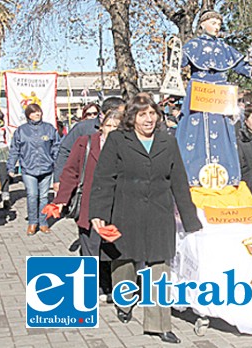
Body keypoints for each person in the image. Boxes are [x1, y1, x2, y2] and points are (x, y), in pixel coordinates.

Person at [89, 94, 202, 344]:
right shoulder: (118, 140)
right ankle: (124, 302)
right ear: (132, 118)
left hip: (159, 214)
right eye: (143, 114)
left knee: (160, 269)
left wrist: (190, 220)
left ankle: (159, 324)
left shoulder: (168, 141)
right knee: (124, 261)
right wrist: (98, 213)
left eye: (152, 113)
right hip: (125, 211)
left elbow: (179, 182)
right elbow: (104, 178)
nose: (149, 119)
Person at [176, 10, 252, 186]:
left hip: (221, 95)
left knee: (222, 128)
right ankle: (192, 173)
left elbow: (242, 66)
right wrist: (172, 52)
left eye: (218, 24)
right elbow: (179, 61)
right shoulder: (193, 45)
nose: (217, 27)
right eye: (213, 23)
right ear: (202, 24)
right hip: (199, 90)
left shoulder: (225, 48)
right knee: (195, 127)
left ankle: (225, 173)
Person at [53, 109, 124, 300]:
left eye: (116, 127)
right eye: (108, 125)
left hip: (116, 205)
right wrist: (60, 200)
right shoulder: (86, 143)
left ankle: (110, 285)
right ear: (101, 127)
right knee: (90, 247)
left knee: (112, 246)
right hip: (89, 204)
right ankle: (92, 287)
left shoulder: (126, 145)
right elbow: (70, 172)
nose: (111, 130)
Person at [7, 104, 60, 235]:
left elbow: (57, 147)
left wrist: (56, 163)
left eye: (39, 112)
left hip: (46, 168)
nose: (37, 114)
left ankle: (43, 222)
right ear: (28, 115)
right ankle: (32, 222)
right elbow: (14, 150)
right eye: (34, 112)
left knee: (43, 197)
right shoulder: (21, 130)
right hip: (29, 169)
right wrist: (11, 166)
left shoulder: (49, 129)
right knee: (32, 195)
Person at [53, 97, 125, 191]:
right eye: (122, 113)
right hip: (87, 183)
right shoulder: (83, 128)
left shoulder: (124, 128)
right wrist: (58, 178)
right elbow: (65, 151)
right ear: (110, 112)